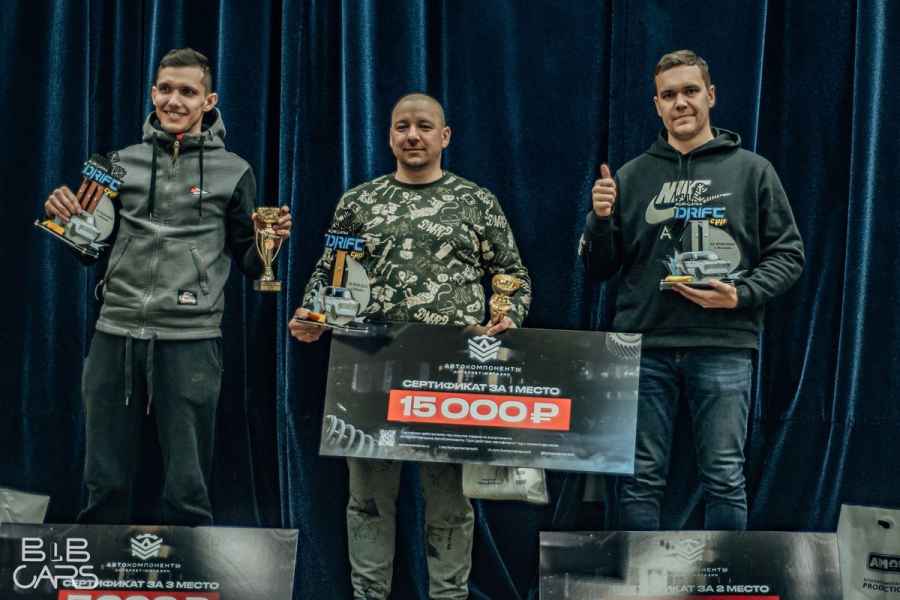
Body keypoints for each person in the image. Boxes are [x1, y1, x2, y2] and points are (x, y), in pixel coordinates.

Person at [289, 93, 532, 600]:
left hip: (451, 369)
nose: (413, 135)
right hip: (370, 363)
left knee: (449, 502)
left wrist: (507, 315)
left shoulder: (475, 200)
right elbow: (332, 273)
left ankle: (450, 596)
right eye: (402, 126)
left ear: (445, 136)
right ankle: (368, 595)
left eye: (424, 126)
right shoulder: (359, 202)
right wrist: (312, 315)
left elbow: (510, 272)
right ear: (389, 136)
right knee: (368, 499)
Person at [43, 48, 291, 526]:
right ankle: (99, 564)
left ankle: (189, 565)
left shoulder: (234, 170)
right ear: (153, 93)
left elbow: (248, 259)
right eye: (166, 89)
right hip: (116, 331)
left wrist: (271, 244)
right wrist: (66, 220)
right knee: (104, 477)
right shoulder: (119, 164)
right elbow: (90, 251)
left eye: (188, 92)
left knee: (187, 483)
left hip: (192, 339)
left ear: (208, 101)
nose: (174, 100)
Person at [580, 49, 804, 530]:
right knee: (639, 480)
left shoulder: (752, 170)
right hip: (644, 347)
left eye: (690, 91)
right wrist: (599, 220)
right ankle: (642, 574)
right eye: (669, 95)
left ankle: (723, 574)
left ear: (711, 96)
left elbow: (789, 256)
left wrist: (740, 294)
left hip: (723, 344)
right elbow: (600, 268)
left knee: (724, 477)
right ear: (656, 105)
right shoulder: (631, 175)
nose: (680, 102)